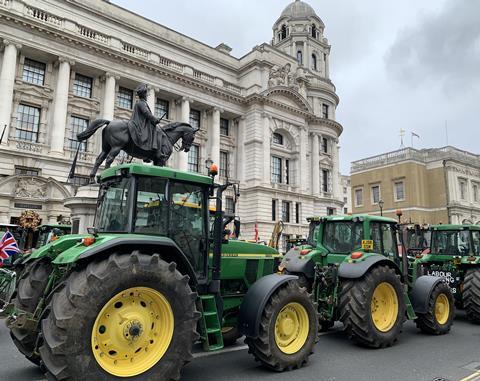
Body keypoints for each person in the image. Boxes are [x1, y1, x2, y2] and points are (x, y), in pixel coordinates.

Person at [127, 84, 163, 152]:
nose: (147, 95)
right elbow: (146, 113)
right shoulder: (141, 103)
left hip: (139, 121)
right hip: (140, 123)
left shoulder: (140, 102)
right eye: (146, 94)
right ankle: (152, 148)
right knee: (155, 128)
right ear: (143, 95)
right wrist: (155, 120)